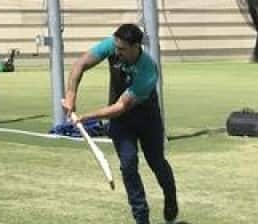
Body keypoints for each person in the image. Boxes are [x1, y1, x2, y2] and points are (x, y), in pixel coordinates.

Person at [63, 23, 177, 224]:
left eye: (122, 49)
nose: (116, 52)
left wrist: (86, 117)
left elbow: (120, 106)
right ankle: (141, 217)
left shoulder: (148, 70)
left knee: (156, 162)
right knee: (128, 164)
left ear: (136, 47)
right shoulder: (112, 45)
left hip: (146, 118)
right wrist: (71, 95)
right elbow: (79, 65)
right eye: (116, 47)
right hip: (121, 122)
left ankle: (170, 196)